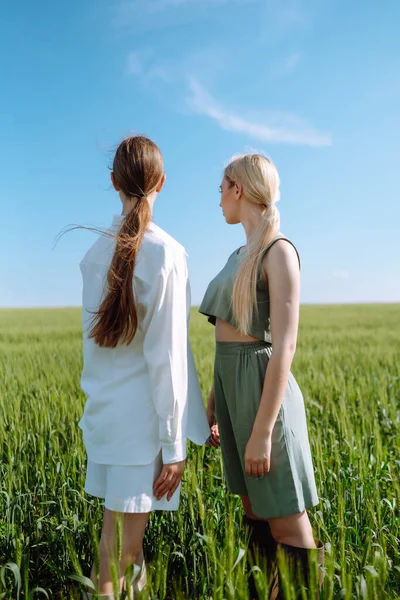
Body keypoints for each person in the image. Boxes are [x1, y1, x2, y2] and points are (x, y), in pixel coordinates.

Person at [78, 135, 210, 599]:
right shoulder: (166, 253)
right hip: (143, 430)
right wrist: (174, 443)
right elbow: (167, 356)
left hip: (106, 422)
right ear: (161, 183)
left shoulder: (94, 256)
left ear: (113, 181)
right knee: (117, 560)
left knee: (126, 558)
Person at [199, 153, 324, 599]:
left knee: (286, 520)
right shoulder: (239, 252)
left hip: (262, 391)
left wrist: (263, 432)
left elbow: (284, 345)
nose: (218, 201)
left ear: (239, 189)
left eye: (221, 189)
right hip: (232, 389)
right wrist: (216, 404)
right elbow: (226, 341)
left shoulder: (280, 251)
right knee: (253, 512)